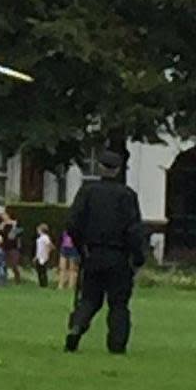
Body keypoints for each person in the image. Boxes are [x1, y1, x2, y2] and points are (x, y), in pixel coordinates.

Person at [64, 150, 145, 354]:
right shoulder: (127, 196)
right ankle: (117, 345)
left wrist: (81, 248)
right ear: (118, 170)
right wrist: (138, 258)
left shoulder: (87, 192)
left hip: (93, 254)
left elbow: (73, 224)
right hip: (119, 256)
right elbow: (134, 230)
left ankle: (77, 326)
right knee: (118, 303)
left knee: (89, 299)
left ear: (99, 167)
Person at [0, 210, 22, 284]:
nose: (2, 216)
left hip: (13, 247)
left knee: (14, 264)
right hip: (5, 246)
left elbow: (17, 233)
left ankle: (17, 280)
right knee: (4, 264)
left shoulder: (14, 223)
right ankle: (3, 280)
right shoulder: (2, 224)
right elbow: (0, 231)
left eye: (4, 215)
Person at [33, 223, 54, 287]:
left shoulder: (45, 237)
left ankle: (44, 284)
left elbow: (50, 245)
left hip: (43, 256)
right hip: (39, 256)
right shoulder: (40, 238)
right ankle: (41, 283)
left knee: (43, 271)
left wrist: (47, 253)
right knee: (39, 270)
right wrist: (36, 256)